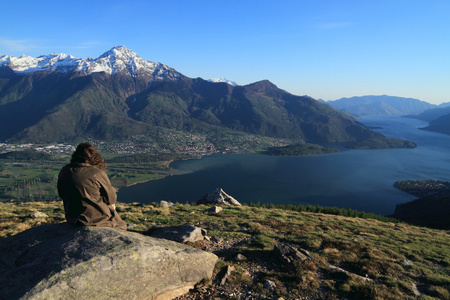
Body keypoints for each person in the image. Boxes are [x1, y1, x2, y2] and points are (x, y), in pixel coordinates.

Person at [57, 142, 127, 230]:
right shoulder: (97, 173)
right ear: (94, 156)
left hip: (72, 218)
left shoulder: (65, 170)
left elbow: (61, 193)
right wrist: (112, 190)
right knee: (121, 225)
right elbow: (110, 199)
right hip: (97, 220)